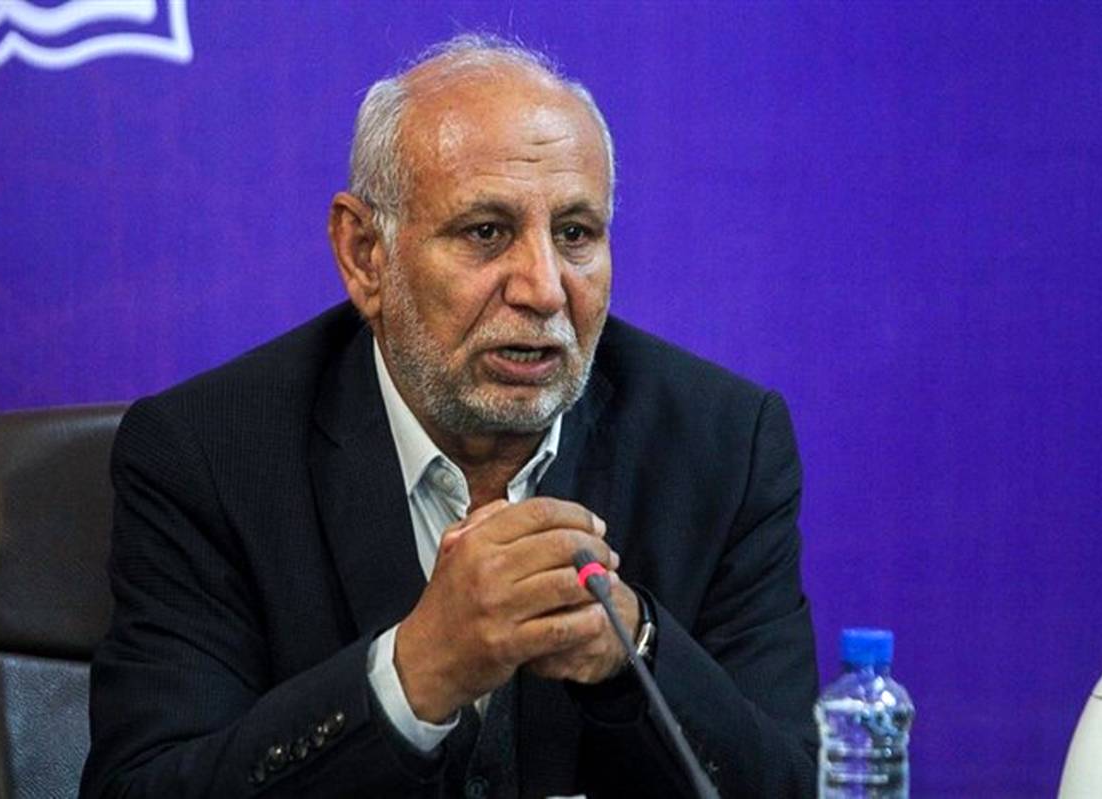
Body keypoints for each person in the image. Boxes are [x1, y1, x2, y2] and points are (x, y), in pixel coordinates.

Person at [81, 34, 819, 798]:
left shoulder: (722, 445)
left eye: (574, 234)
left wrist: (636, 647)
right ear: (365, 254)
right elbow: (138, 787)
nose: (544, 289)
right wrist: (413, 674)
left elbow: (792, 785)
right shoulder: (209, 455)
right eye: (486, 232)